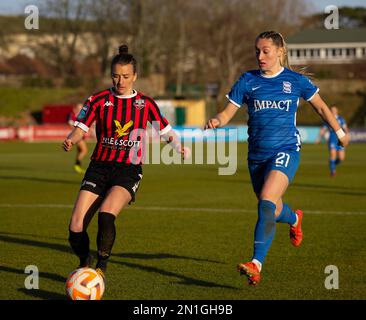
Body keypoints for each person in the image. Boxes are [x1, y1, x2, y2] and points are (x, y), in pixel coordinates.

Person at [204, 31, 349, 286]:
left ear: (280, 51)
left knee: (267, 200)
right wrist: (217, 120)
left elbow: (322, 107)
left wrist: (339, 132)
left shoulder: (296, 81)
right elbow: (228, 113)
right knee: (272, 207)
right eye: (257, 51)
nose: (260, 56)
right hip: (256, 157)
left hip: (285, 150)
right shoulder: (248, 80)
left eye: (266, 51)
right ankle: (294, 218)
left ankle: (256, 263)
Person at [62, 44, 189, 281]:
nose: (120, 81)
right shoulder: (98, 100)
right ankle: (84, 264)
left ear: (135, 77)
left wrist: (178, 146)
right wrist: (71, 139)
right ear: (111, 75)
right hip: (98, 167)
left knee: (106, 214)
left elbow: (165, 131)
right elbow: (80, 127)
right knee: (76, 227)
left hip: (128, 170)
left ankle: (101, 267)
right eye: (116, 76)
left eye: (126, 76)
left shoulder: (146, 103)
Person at [316, 105, 349, 177]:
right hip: (332, 138)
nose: (333, 111)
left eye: (334, 110)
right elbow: (323, 129)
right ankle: (333, 171)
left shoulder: (341, 119)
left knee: (341, 158)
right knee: (333, 154)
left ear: (337, 111)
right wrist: (319, 138)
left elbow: (345, 128)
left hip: (340, 138)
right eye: (332, 110)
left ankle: (332, 163)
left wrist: (347, 136)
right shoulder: (328, 118)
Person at [67, 104, 88, 174]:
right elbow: (70, 124)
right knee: (84, 150)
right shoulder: (73, 115)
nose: (81, 109)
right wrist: (76, 131)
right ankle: (77, 164)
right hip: (77, 136)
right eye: (79, 108)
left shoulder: (81, 115)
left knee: (79, 151)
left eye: (81, 108)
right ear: (75, 108)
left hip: (80, 135)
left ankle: (77, 166)